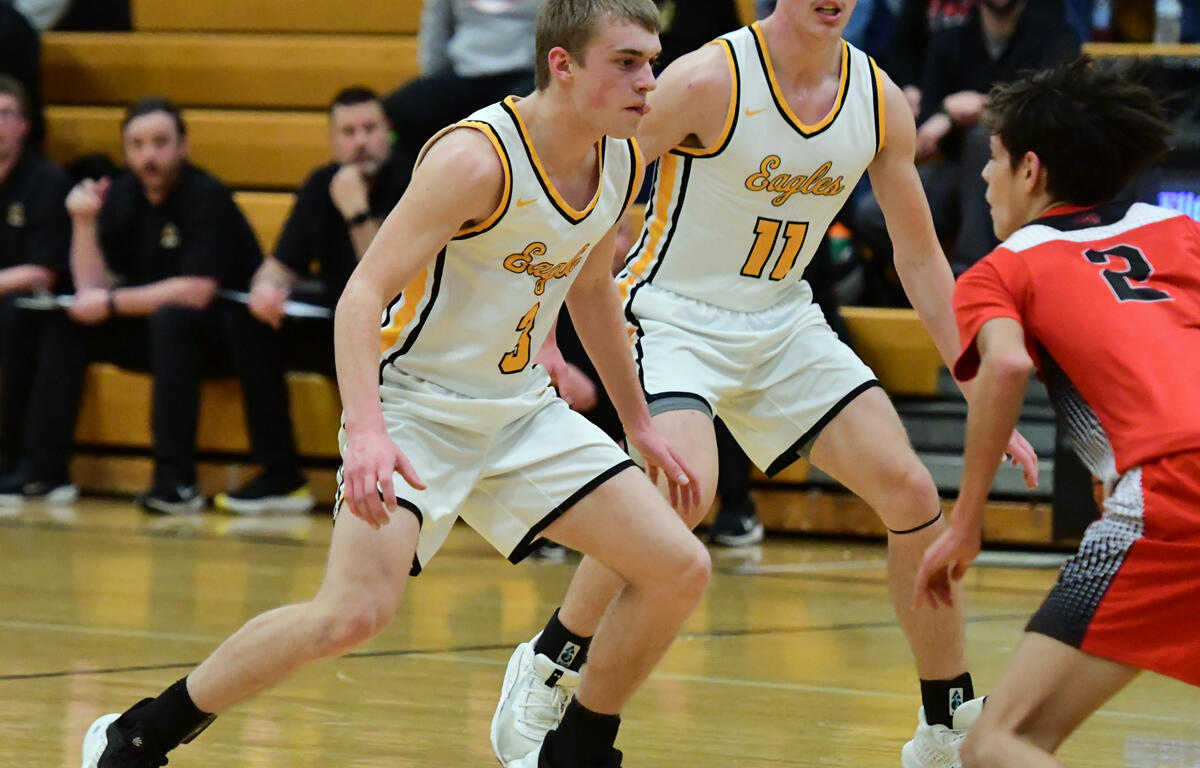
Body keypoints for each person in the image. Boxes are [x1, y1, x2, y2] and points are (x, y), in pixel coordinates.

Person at [80, 3, 713, 768]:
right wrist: (368, 431)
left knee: (680, 567)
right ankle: (141, 733)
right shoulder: (474, 159)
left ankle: (573, 748)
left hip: (518, 409)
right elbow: (362, 294)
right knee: (352, 615)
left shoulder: (618, 160)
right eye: (627, 62)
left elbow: (591, 289)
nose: (649, 81)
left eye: (652, 61)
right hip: (415, 407)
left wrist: (638, 422)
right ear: (563, 65)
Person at [491, 2, 1040, 767]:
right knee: (683, 493)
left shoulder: (877, 98)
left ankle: (945, 722)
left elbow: (919, 257)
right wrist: (546, 324)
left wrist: (977, 381)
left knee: (912, 491)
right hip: (674, 314)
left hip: (782, 322)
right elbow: (588, 185)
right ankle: (554, 658)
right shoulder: (705, 81)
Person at [915, 57, 1198, 768]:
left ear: (1031, 170)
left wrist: (967, 521)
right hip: (1166, 485)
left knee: (996, 744)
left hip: (1171, 493)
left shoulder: (1001, 270)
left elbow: (1007, 366)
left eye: (994, 158)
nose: (985, 176)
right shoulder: (1178, 230)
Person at [10, 97, 312, 514]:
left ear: (183, 145)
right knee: (68, 323)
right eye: (136, 145)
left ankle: (176, 482)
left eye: (160, 142)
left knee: (172, 321)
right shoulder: (123, 194)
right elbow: (91, 288)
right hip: (157, 334)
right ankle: (45, 471)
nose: (148, 156)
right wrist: (83, 223)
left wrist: (110, 303)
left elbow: (197, 291)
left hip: (229, 338)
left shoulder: (206, 195)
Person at [244, 86, 412, 380]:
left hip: (399, 325)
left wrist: (357, 214)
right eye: (349, 132)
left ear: (388, 131)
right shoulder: (320, 185)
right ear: (332, 141)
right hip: (337, 321)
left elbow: (390, 285)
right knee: (252, 328)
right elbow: (281, 264)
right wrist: (264, 288)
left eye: (370, 129)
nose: (360, 141)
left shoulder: (413, 180)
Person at [0, 75, 70, 495]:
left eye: (6, 114)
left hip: (33, 309)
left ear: (24, 125)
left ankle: (15, 458)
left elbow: (44, 273)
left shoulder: (45, 181)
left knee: (15, 317)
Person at [382, 0, 539, 160]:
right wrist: (432, 84)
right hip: (464, 73)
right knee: (397, 112)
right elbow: (436, 27)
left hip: (525, 74)